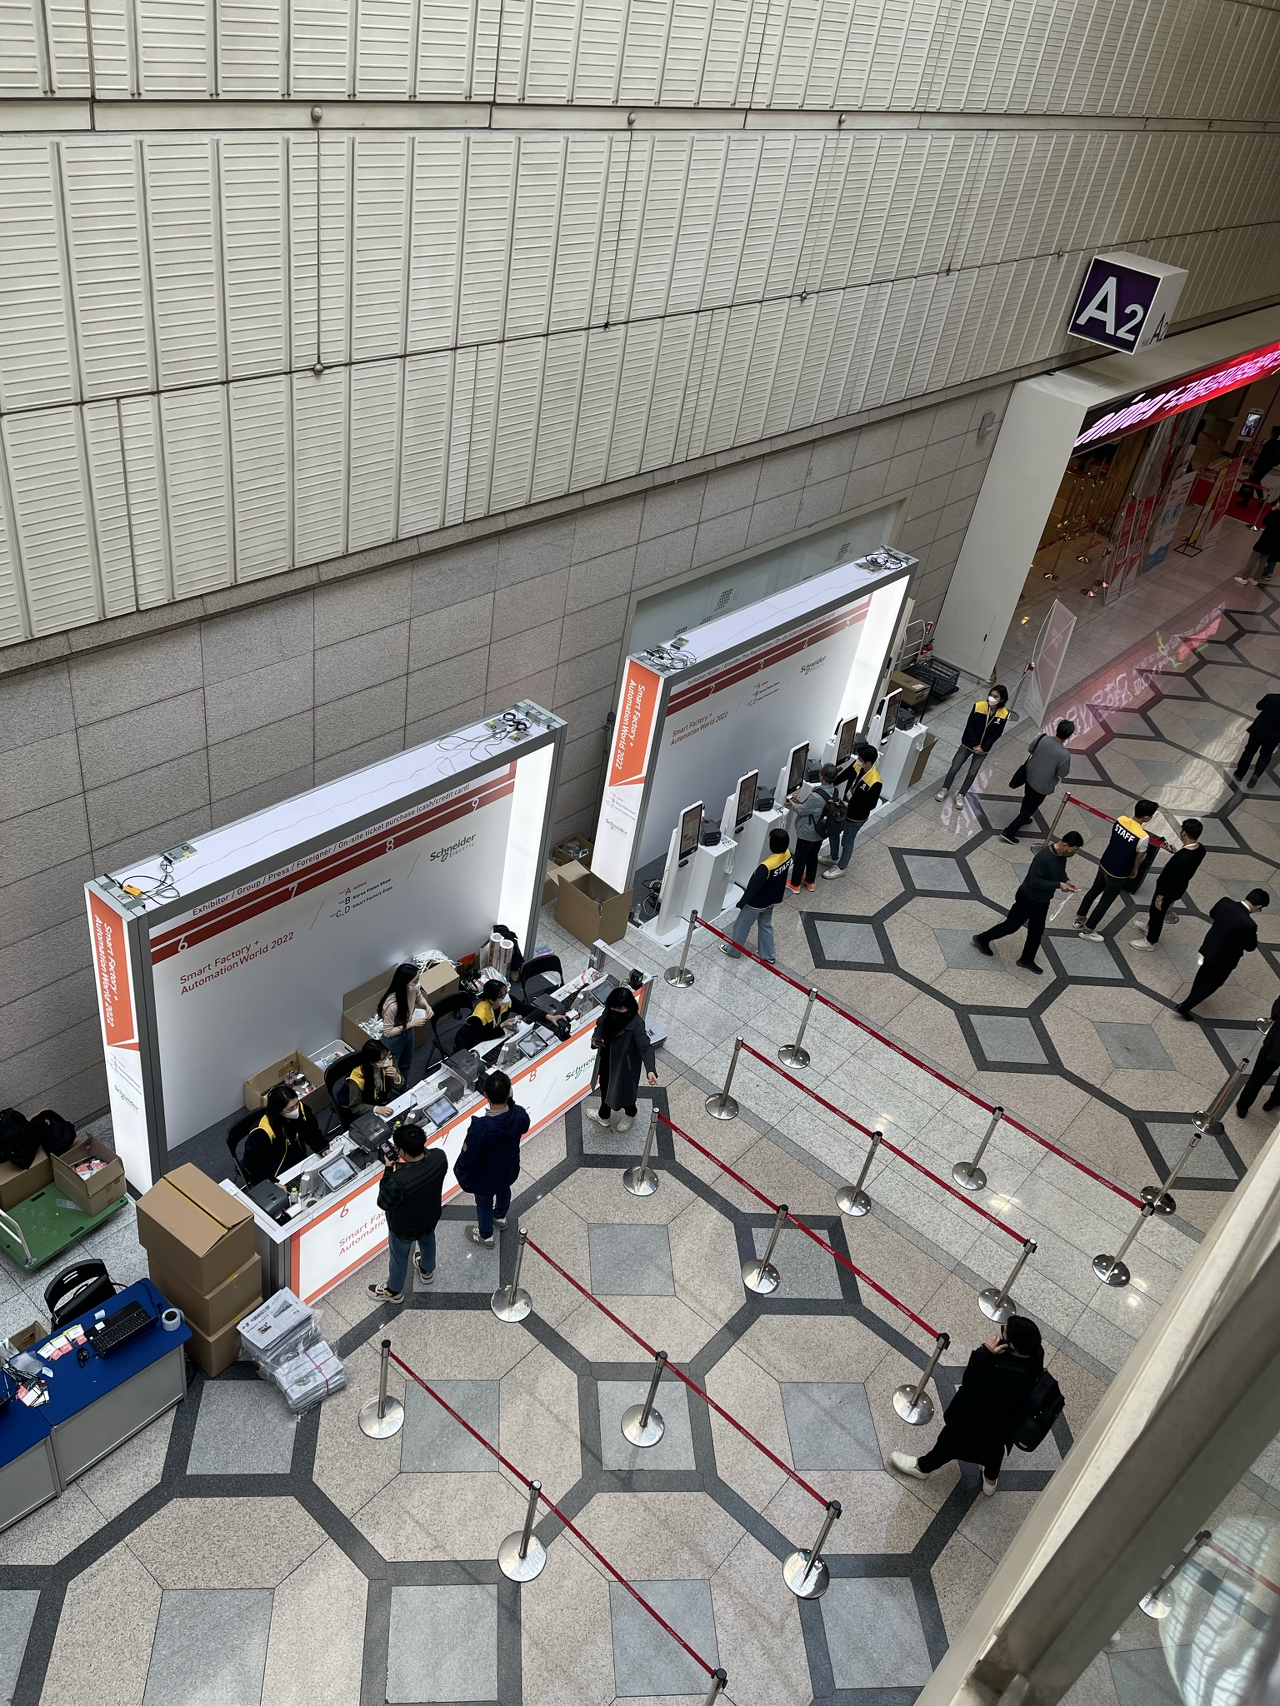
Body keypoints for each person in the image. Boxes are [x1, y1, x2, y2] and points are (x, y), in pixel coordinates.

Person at [890, 1315, 1044, 1496]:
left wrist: (984, 1351)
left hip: (975, 1417)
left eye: (1004, 1330)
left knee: (948, 1442)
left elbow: (971, 1382)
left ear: (1011, 1345)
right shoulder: (1036, 1355)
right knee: (994, 1450)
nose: (1001, 1328)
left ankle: (922, 1467)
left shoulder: (1003, 1373)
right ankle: (990, 1481)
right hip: (1005, 1423)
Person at [972, 832, 1083, 973]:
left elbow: (1060, 871)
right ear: (1065, 845)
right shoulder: (1043, 857)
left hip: (1042, 901)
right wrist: (1058, 885)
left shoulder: (1062, 855)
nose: (1073, 853)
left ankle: (1027, 959)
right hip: (1027, 898)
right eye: (1073, 850)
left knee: (1036, 931)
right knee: (1011, 926)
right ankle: (982, 939)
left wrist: (1066, 880)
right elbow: (1034, 881)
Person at [367, 1122, 447, 1301]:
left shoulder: (398, 1180)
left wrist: (389, 1169)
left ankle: (393, 1292)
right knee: (428, 1242)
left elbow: (384, 1202)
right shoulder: (439, 1156)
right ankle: (427, 1271)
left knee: (399, 1258)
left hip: (403, 1227)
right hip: (430, 1216)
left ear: (401, 1152)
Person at [453, 1069, 530, 1247]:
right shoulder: (518, 1114)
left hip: (485, 1178)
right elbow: (525, 1127)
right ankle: (500, 1217)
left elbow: (467, 1159)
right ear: (509, 1092)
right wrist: (511, 1102)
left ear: (485, 1095)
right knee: (504, 1190)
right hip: (508, 1168)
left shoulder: (479, 1130)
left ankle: (485, 1236)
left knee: (484, 1204)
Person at [1176, 889, 1270, 1019]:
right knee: (1212, 984)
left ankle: (1192, 996)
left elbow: (1213, 913)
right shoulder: (1249, 924)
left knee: (1202, 975)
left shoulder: (1225, 902)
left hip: (1209, 948)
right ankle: (1185, 1006)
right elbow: (1250, 947)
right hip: (1224, 959)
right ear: (1259, 906)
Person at [1073, 798, 1158, 939]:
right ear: (1147, 817)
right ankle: (1088, 930)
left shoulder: (1121, 819)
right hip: (1119, 873)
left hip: (1105, 862)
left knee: (1094, 890)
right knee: (1105, 901)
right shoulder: (1143, 837)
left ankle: (1079, 919)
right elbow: (1139, 858)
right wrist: (1135, 870)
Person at [586, 985, 658, 1133]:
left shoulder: (636, 1024)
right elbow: (600, 1026)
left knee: (625, 1094)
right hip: (607, 1060)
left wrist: (650, 1070)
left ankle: (631, 1114)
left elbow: (645, 1047)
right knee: (605, 1088)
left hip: (625, 1067)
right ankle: (603, 1116)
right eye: (614, 1008)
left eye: (621, 1009)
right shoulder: (608, 1011)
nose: (616, 1012)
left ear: (629, 1008)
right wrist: (596, 1038)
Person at [1129, 819, 1205, 950]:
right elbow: (1187, 862)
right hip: (1179, 887)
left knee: (1157, 913)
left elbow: (1168, 878)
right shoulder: (1200, 849)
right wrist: (1177, 853)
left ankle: (1150, 941)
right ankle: (1149, 926)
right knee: (1156, 912)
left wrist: (1160, 897)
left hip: (1167, 890)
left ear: (1184, 833)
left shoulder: (1180, 859)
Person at [722, 826, 791, 965]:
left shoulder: (766, 866)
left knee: (741, 926)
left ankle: (734, 951)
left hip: (756, 903)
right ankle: (768, 954)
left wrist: (742, 903)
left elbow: (753, 887)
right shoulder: (787, 855)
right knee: (765, 925)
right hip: (772, 900)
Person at [999, 720, 1075, 843]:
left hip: (1029, 775)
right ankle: (1009, 832)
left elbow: (1031, 749)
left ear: (1057, 728)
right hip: (1043, 785)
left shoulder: (1043, 738)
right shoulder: (1064, 755)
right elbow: (1063, 773)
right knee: (1030, 808)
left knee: (1027, 798)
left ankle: (1023, 819)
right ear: (1068, 736)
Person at [935, 685, 1010, 804]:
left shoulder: (1003, 714)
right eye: (990, 695)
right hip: (968, 744)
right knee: (954, 767)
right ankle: (945, 788)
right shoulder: (978, 706)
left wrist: (983, 748)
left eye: (995, 696)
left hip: (983, 750)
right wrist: (975, 744)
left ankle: (961, 794)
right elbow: (970, 726)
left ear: (1002, 699)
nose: (991, 698)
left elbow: (996, 734)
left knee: (972, 773)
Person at [241, 1083, 326, 1186]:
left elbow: (311, 1132)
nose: (296, 1109)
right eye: (291, 1109)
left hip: (297, 1157)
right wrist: (272, 1182)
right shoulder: (263, 1132)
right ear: (278, 1110)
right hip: (275, 1169)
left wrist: (323, 1148)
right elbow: (253, 1165)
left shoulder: (301, 1109)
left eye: (297, 1104)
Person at [821, 743, 882, 879]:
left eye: (860, 759)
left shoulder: (875, 781)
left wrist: (850, 805)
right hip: (843, 808)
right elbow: (845, 775)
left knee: (847, 841)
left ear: (868, 763)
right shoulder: (857, 765)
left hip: (856, 816)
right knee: (833, 831)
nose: (857, 760)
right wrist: (829, 784)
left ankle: (841, 867)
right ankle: (833, 857)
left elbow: (871, 805)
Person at [376, 963, 433, 1082]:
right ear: (404, 984)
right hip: (394, 1038)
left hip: (408, 1031)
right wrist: (411, 1024)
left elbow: (419, 998)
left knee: (407, 1062)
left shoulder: (413, 989)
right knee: (391, 1068)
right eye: (415, 981)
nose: (418, 984)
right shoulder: (391, 1005)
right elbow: (388, 1032)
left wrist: (427, 1006)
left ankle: (403, 1086)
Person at [788, 764, 839, 892]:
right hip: (821, 831)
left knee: (800, 858)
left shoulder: (816, 796)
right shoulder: (834, 791)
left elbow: (802, 811)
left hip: (808, 832)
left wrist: (793, 804)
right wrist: (802, 801)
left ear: (822, 777)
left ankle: (795, 884)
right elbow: (815, 808)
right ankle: (810, 881)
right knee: (812, 856)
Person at [1235, 994, 1280, 1118]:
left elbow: (1277, 1008)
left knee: (1258, 1077)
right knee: (1258, 1077)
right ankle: (1272, 1102)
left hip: (1274, 1045)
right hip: (1274, 1046)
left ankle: (1243, 1105)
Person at [344, 1038, 403, 1119]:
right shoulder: (357, 1078)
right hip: (369, 1104)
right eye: (382, 1059)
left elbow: (400, 1086)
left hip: (384, 1098)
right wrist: (376, 1109)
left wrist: (396, 1077)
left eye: (387, 1055)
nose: (387, 1060)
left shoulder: (390, 1059)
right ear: (372, 1062)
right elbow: (355, 1106)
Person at [1232, 690, 1280, 786]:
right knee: (1266, 755)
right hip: (1275, 735)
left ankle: (1240, 774)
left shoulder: (1271, 697)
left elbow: (1258, 706)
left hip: (1259, 729)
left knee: (1249, 751)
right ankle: (1256, 774)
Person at [1235, 507, 1280, 586]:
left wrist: (1272, 511)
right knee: (1263, 562)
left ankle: (1244, 578)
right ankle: (1255, 579)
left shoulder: (1275, 514)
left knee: (1252, 560)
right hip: (1274, 544)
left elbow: (1265, 522)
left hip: (1264, 541)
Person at [1238, 426, 1280, 505]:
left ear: (1273, 433)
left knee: (1252, 480)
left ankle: (1246, 500)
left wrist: (1255, 468)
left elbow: (1262, 457)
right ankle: (1260, 499)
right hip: (1268, 467)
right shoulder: (1278, 445)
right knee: (1256, 480)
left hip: (1260, 466)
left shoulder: (1269, 444)